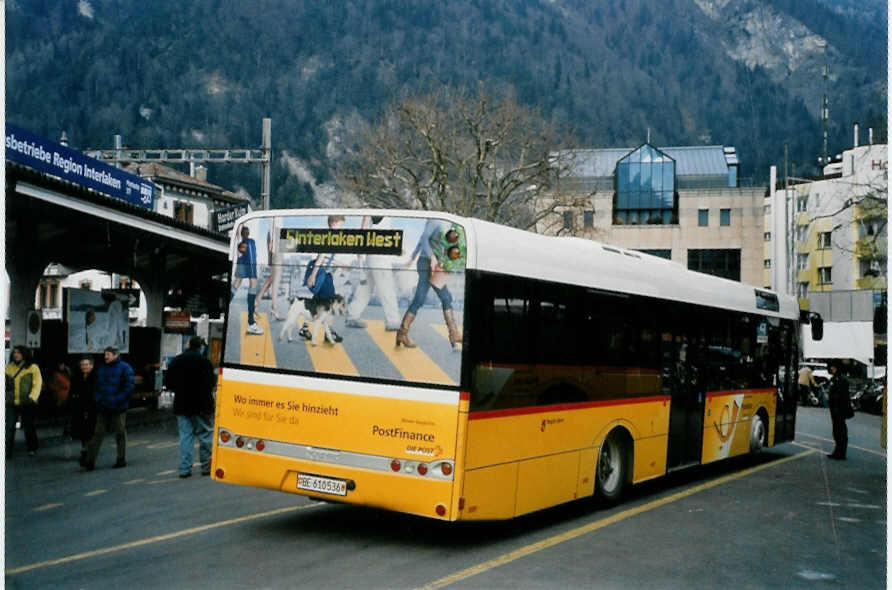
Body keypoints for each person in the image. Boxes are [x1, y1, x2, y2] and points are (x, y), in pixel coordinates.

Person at [397, 218, 459, 349]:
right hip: (428, 263)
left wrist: (412, 258)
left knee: (439, 298)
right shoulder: (435, 220)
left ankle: (402, 333)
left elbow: (422, 240)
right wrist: (430, 258)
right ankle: (454, 334)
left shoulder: (446, 222)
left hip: (433, 263)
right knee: (435, 298)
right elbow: (424, 239)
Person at [164, 336, 217, 478]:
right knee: (205, 436)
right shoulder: (205, 362)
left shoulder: (177, 360)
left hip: (182, 404)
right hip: (202, 405)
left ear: (188, 345)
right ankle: (206, 466)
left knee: (185, 437)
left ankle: (184, 469)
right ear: (201, 347)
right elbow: (212, 383)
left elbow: (168, 383)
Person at [345, 216, 402, 332]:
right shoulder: (375, 210)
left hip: (375, 255)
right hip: (379, 256)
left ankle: (353, 315)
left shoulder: (382, 211)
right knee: (386, 288)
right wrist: (360, 253)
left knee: (366, 288)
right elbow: (363, 231)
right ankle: (393, 320)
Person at [83, 346, 134, 471]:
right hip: (104, 406)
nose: (105, 356)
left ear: (116, 355)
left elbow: (128, 387)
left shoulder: (125, 368)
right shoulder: (102, 368)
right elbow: (96, 386)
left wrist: (117, 400)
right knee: (97, 434)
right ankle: (90, 461)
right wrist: (98, 399)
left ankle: (121, 459)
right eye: (105, 354)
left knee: (120, 433)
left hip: (118, 407)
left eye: (108, 354)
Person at [5, 345, 43, 458]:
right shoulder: (9, 367)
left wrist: (32, 397)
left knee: (28, 426)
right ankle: (7, 451)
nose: (16, 354)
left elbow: (37, 384)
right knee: (9, 427)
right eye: (15, 352)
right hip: (11, 402)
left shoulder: (33, 367)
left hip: (27, 402)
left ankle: (32, 447)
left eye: (19, 352)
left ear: (24, 354)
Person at [232, 224, 264, 335]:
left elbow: (239, 236)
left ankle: (227, 304)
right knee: (252, 283)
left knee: (237, 282)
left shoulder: (242, 242)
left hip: (242, 259)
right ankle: (251, 323)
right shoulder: (250, 242)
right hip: (249, 261)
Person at [69, 356, 97, 466]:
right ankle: (85, 449)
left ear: (91, 366)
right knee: (82, 431)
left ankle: (87, 453)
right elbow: (72, 391)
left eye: (86, 364)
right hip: (79, 407)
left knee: (90, 430)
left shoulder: (96, 377)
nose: (84, 367)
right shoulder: (77, 377)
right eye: (82, 365)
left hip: (92, 407)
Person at [826, 359, 852, 460]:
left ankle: (841, 452)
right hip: (835, 409)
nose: (831, 368)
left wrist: (837, 406)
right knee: (836, 430)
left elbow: (842, 396)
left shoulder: (841, 379)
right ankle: (838, 451)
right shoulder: (835, 378)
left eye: (833, 366)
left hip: (839, 409)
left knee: (840, 431)